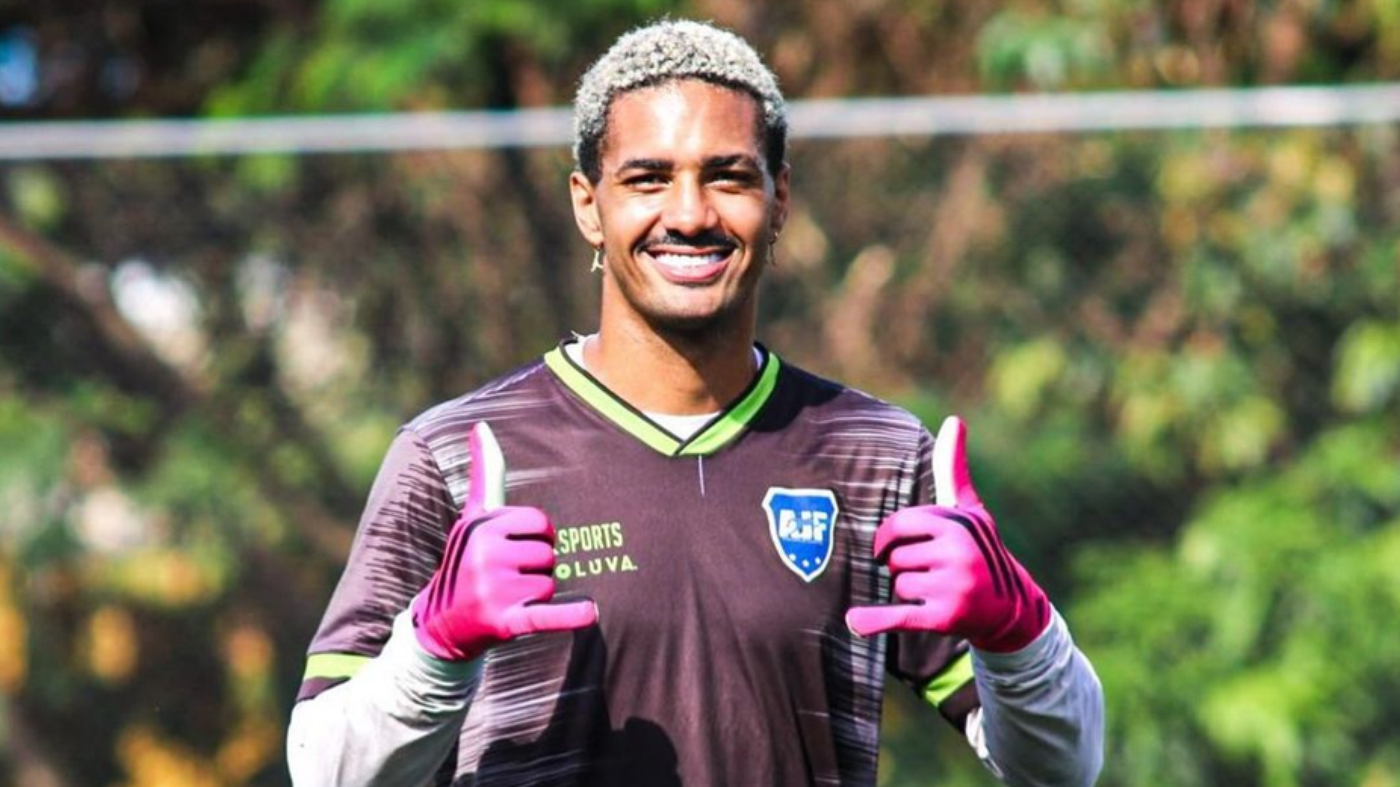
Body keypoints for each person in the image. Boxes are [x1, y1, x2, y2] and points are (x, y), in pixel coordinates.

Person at [287, 18, 1104, 787]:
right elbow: (322, 768)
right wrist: (435, 646)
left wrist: (1019, 634)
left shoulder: (877, 456)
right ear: (588, 205)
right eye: (648, 178)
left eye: (728, 176)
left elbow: (1063, 766)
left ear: (779, 199)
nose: (689, 214)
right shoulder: (456, 457)